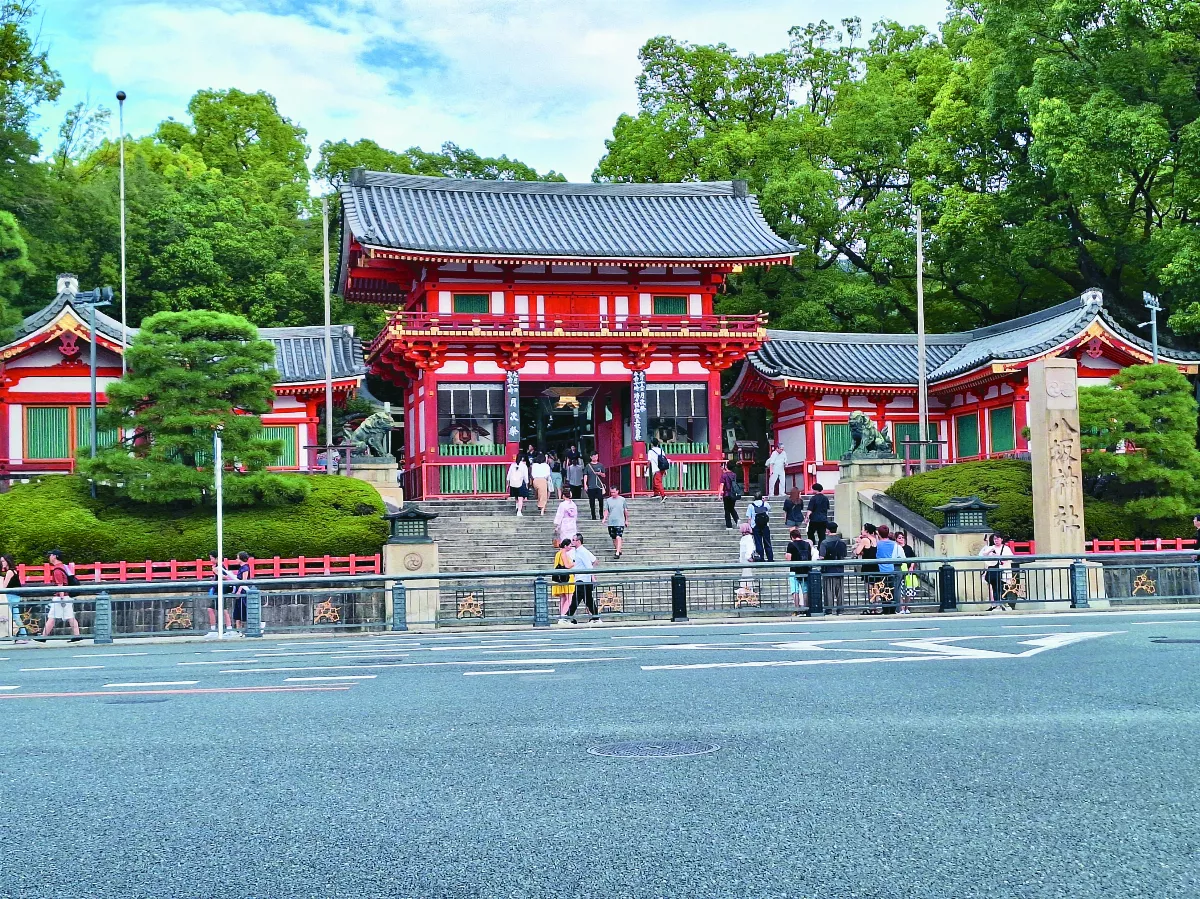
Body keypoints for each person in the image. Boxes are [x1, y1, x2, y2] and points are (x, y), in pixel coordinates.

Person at [40, 550, 82, 642]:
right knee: (67, 616)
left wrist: (62, 598)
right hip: (65, 596)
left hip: (61, 596)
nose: (49, 557)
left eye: (50, 555)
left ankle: (43, 637)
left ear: (55, 556)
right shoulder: (64, 567)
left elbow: (60, 585)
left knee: (53, 617)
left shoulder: (57, 570)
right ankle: (77, 635)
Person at [567, 533, 599, 623]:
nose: (572, 541)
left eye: (574, 540)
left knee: (576, 599)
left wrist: (593, 577)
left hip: (583, 579)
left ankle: (568, 616)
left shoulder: (582, 551)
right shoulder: (578, 551)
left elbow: (589, 565)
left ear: (579, 541)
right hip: (581, 578)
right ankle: (596, 617)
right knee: (588, 599)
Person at [980, 532, 1014, 611]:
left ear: (1002, 539)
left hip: (1003, 570)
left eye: (998, 538)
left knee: (1002, 588)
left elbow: (1009, 558)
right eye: (995, 539)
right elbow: (983, 555)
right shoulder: (991, 547)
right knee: (995, 587)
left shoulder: (1006, 548)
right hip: (993, 571)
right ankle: (997, 605)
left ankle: (1005, 604)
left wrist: (998, 556)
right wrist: (990, 551)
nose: (996, 540)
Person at [819, 522, 848, 612]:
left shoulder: (824, 542)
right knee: (840, 592)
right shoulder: (842, 543)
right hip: (840, 569)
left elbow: (821, 556)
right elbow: (845, 554)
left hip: (828, 570)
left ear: (827, 530)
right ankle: (840, 609)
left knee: (829, 591)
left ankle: (829, 609)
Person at [785, 527, 813, 614]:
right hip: (805, 569)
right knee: (805, 590)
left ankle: (797, 610)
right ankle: (806, 608)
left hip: (794, 569)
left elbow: (788, 559)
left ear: (792, 537)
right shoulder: (807, 544)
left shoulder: (791, 545)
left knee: (795, 590)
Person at [206, 551, 235, 635]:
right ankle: (226, 629)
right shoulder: (217, 566)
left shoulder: (220, 566)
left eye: (211, 558)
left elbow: (226, 577)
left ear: (216, 558)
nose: (210, 560)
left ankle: (217, 630)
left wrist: (216, 572)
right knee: (220, 609)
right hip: (218, 589)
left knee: (219, 609)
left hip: (221, 590)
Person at [853, 524, 879, 613]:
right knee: (875, 587)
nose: (861, 531)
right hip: (875, 565)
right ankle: (875, 607)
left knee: (869, 588)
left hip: (867, 566)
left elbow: (857, 551)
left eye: (863, 529)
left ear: (866, 531)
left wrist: (858, 542)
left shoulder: (865, 540)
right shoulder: (875, 539)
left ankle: (871, 607)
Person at [874, 525, 900, 614]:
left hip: (881, 569)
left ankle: (885, 608)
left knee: (882, 590)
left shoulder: (878, 544)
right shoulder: (894, 544)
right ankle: (892, 609)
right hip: (891, 568)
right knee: (891, 589)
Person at [602, 485, 630, 559]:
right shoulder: (608, 500)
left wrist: (626, 520)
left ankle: (617, 552)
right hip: (611, 521)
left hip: (620, 521)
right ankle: (618, 549)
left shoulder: (622, 500)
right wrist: (604, 518)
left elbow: (625, 510)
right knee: (614, 538)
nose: (612, 494)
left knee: (618, 536)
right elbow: (606, 510)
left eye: (614, 492)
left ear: (617, 491)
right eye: (611, 492)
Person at [552, 538, 575, 620]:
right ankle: (563, 615)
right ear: (565, 546)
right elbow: (567, 566)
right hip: (567, 578)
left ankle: (561, 615)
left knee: (563, 598)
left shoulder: (558, 553)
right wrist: (574, 563)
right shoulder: (563, 553)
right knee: (569, 599)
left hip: (559, 578)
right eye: (570, 546)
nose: (571, 547)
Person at [747, 492, 774, 562]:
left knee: (758, 542)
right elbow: (769, 509)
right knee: (767, 542)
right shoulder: (765, 504)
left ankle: (761, 558)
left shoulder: (751, 506)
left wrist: (749, 527)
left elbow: (749, 518)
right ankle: (770, 558)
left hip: (755, 526)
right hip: (765, 525)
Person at [1, 555, 21, 643]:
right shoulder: (13, 571)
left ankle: (22, 636)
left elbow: (4, 586)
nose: (2, 563)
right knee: (15, 616)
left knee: (15, 616)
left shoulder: (10, 572)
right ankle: (22, 635)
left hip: (11, 596)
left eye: (3, 561)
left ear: (8, 561)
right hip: (14, 596)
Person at [896, 532, 917, 614]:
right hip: (900, 570)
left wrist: (911, 566)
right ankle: (901, 607)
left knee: (909, 589)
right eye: (899, 538)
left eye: (902, 537)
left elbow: (913, 558)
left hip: (908, 571)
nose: (901, 539)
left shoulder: (908, 548)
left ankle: (906, 607)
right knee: (900, 590)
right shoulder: (896, 548)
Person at [231, 551, 252, 633]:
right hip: (240, 591)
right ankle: (238, 630)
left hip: (243, 592)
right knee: (238, 612)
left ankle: (245, 630)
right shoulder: (241, 567)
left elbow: (244, 581)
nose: (236, 559)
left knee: (244, 611)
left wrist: (239, 591)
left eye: (237, 557)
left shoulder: (245, 568)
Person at [584, 453, 607, 520]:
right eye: (594, 456)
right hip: (591, 486)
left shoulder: (601, 465)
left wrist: (600, 473)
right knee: (592, 501)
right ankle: (593, 515)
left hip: (599, 486)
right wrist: (585, 484)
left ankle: (601, 514)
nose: (595, 457)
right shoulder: (588, 466)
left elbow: (604, 475)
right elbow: (585, 475)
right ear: (591, 457)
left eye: (596, 456)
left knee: (600, 500)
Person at [719, 461, 740, 529]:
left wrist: (719, 494)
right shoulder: (734, 475)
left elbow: (722, 485)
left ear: (726, 466)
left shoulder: (724, 475)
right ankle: (737, 519)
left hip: (726, 494)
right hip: (733, 494)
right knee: (731, 508)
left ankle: (729, 526)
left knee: (727, 510)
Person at [738, 521, 758, 592]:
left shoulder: (749, 538)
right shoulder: (744, 538)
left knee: (747, 573)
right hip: (744, 558)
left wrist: (748, 557)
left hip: (746, 558)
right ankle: (745, 588)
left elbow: (750, 548)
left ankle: (747, 588)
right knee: (745, 573)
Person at [647, 438, 668, 503]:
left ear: (652, 444)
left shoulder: (650, 451)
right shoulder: (661, 450)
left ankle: (663, 495)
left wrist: (646, 469)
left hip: (656, 469)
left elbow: (649, 461)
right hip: (662, 468)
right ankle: (656, 493)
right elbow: (665, 460)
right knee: (655, 481)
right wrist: (666, 470)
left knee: (657, 483)